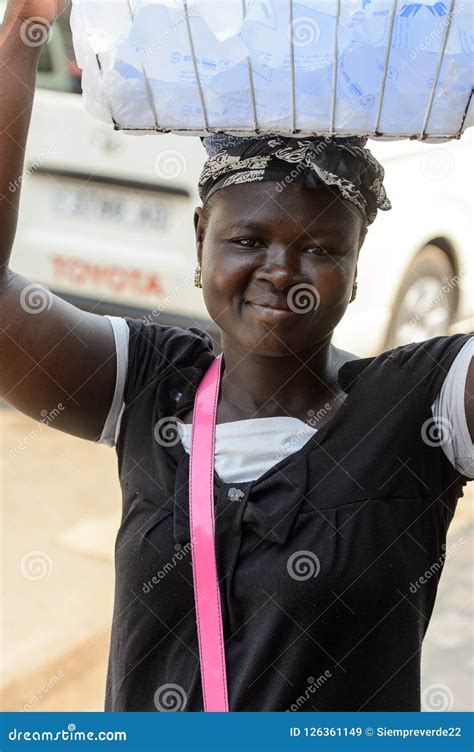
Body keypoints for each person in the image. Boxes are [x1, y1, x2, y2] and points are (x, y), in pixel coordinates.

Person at [1, 0, 473, 713]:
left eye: (319, 249)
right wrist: (22, 35)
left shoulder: (418, 410)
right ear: (201, 240)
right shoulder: (151, 387)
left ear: (356, 261)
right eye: (248, 241)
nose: (281, 272)